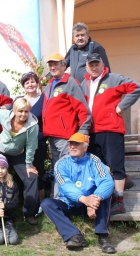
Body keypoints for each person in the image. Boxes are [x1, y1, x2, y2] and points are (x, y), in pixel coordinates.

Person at [80, 53, 140, 215]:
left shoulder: (114, 79)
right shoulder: (84, 83)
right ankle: (111, 191)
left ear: (103, 65)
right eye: (91, 65)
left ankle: (119, 200)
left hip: (111, 129)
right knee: (99, 166)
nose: (94, 68)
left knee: (115, 165)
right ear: (86, 67)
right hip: (92, 131)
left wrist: (121, 106)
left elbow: (137, 88)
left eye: (97, 64)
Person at [40, 133, 116, 254]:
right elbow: (65, 186)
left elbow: (107, 181)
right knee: (46, 204)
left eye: (77, 144)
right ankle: (74, 236)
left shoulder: (94, 161)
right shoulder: (61, 163)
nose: (72, 147)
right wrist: (84, 199)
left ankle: (103, 237)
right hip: (69, 203)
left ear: (85, 147)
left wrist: (94, 200)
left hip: (92, 204)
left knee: (104, 195)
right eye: (71, 144)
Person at [42, 53, 91, 196]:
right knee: (58, 167)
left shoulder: (70, 83)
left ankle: (64, 199)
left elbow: (83, 109)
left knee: (65, 168)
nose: (52, 67)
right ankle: (57, 199)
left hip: (65, 136)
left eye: (56, 64)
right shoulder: (50, 83)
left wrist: (83, 131)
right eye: (50, 65)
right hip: (52, 135)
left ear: (64, 65)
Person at [0, 98, 40, 225]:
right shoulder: (4, 114)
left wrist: (29, 165)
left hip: (18, 153)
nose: (23, 114)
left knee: (32, 177)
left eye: (26, 111)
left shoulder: (33, 126)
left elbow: (31, 146)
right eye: (20, 111)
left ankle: (29, 213)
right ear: (15, 110)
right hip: (0, 149)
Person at [17, 71, 47, 207]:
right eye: (27, 82)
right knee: (23, 173)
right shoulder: (18, 100)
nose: (30, 84)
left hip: (38, 142)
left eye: (32, 81)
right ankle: (26, 203)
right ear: (23, 86)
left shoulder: (44, 99)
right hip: (20, 143)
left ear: (37, 83)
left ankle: (41, 204)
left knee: (37, 171)